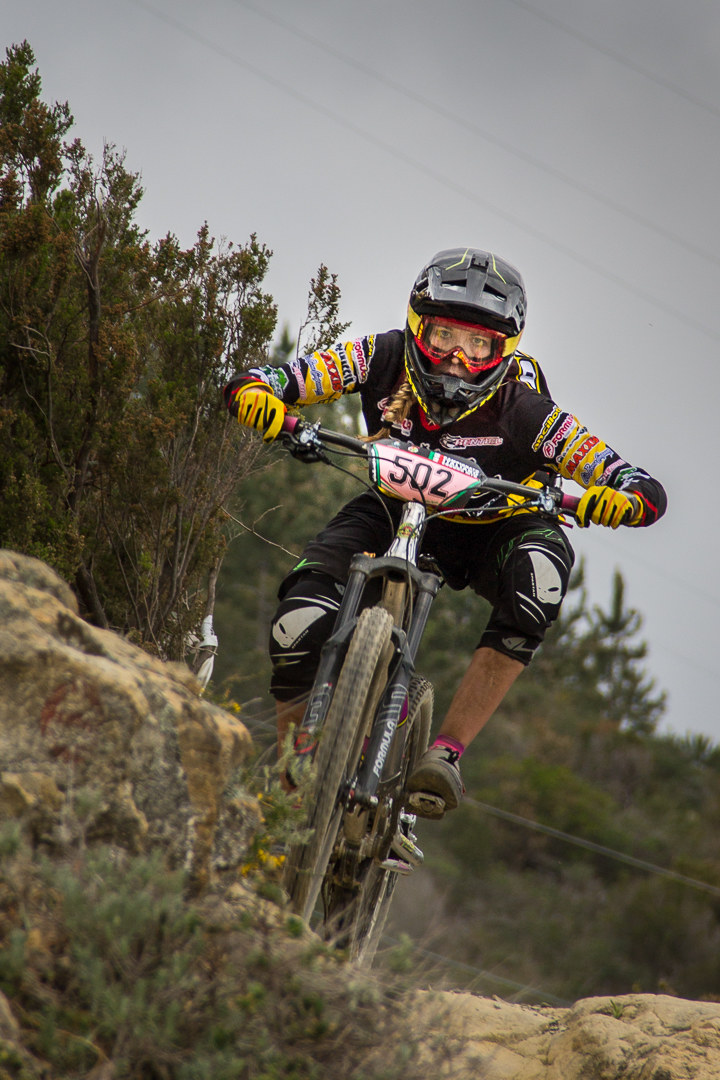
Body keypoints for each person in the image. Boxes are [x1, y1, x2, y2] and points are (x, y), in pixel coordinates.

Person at [224, 248, 666, 818]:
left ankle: (447, 753)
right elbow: (273, 378)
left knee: (541, 576)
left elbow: (640, 486)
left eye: (478, 343)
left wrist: (617, 498)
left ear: (502, 350)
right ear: (417, 326)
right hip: (395, 507)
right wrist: (262, 399)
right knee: (297, 624)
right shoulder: (380, 354)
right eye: (444, 336)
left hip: (498, 525)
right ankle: (293, 782)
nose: (458, 357)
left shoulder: (528, 409)